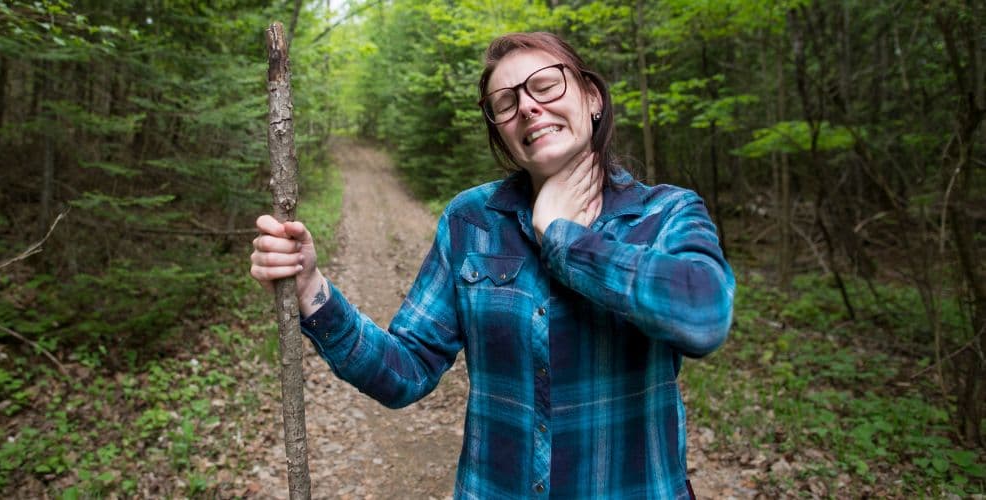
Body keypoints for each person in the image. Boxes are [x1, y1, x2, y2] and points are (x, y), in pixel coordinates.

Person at [250, 31, 734, 499]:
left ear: (592, 98)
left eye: (546, 85)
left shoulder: (665, 213)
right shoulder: (472, 221)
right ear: (501, 131)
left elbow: (704, 316)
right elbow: (406, 371)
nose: (527, 106)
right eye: (506, 102)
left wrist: (561, 237)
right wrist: (311, 289)